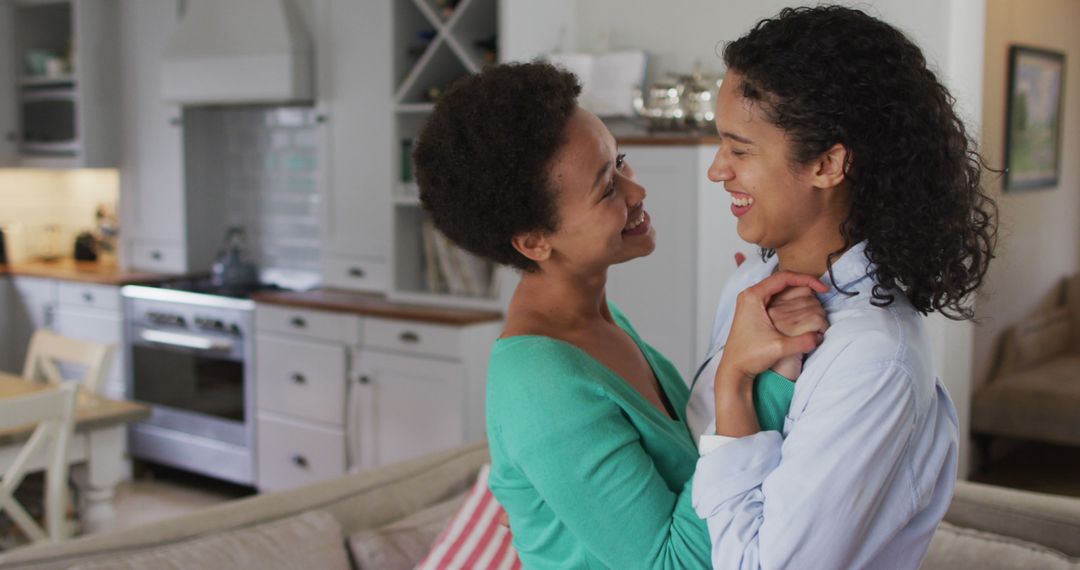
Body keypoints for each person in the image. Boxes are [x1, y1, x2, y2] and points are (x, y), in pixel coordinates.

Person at [412, 62, 828, 568]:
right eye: (606, 188)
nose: (637, 191)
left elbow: (695, 480)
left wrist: (769, 365)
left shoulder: (598, 322)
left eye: (621, 162)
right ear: (534, 242)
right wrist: (744, 379)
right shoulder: (542, 384)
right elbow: (669, 564)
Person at [686, 6, 998, 569]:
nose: (717, 169)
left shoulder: (875, 359)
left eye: (739, 149)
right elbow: (693, 458)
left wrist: (733, 383)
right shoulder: (752, 281)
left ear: (828, 164)